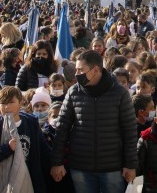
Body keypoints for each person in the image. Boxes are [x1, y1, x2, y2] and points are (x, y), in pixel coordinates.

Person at [49, 50, 137, 193]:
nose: (76, 73)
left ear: (95, 70)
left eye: (80, 70)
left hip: (112, 167)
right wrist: (56, 162)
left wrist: (130, 164)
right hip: (81, 167)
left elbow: (130, 131)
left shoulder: (120, 93)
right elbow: (62, 128)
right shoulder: (73, 92)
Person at [0, 86, 51, 193]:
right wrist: (6, 149)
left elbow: (44, 150)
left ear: (20, 103)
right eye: (3, 103)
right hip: (0, 183)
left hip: (28, 180)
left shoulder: (30, 122)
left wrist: (56, 165)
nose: (6, 107)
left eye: (11, 102)